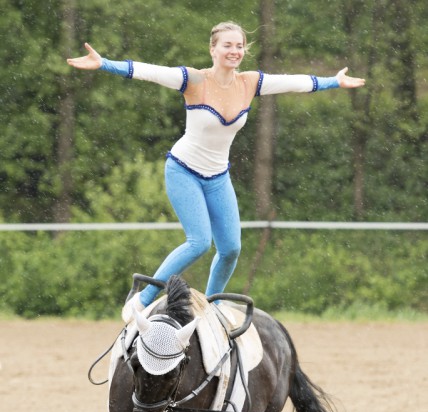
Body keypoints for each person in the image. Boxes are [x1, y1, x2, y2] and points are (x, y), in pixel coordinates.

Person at [67, 22, 365, 323]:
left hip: (218, 177)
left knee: (231, 248)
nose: (234, 51)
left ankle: (209, 307)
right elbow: (147, 70)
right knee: (199, 242)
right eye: (227, 45)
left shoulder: (250, 83)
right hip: (183, 171)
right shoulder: (194, 80)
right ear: (213, 49)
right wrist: (103, 64)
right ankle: (141, 300)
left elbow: (295, 83)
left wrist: (333, 82)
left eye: (239, 46)